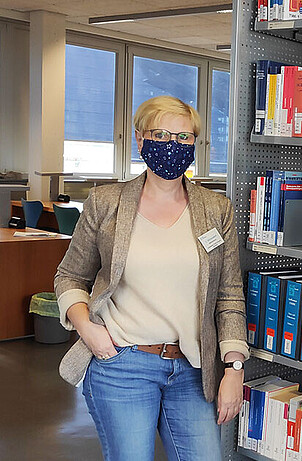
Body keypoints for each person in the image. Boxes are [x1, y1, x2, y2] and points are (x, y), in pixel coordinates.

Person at [54, 95, 248, 461]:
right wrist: (88, 330)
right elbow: (69, 276)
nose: (172, 145)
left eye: (184, 137)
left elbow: (230, 295)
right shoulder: (105, 202)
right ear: (140, 139)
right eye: (161, 135)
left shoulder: (216, 209)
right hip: (122, 363)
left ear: (195, 143)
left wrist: (234, 367)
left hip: (193, 368)